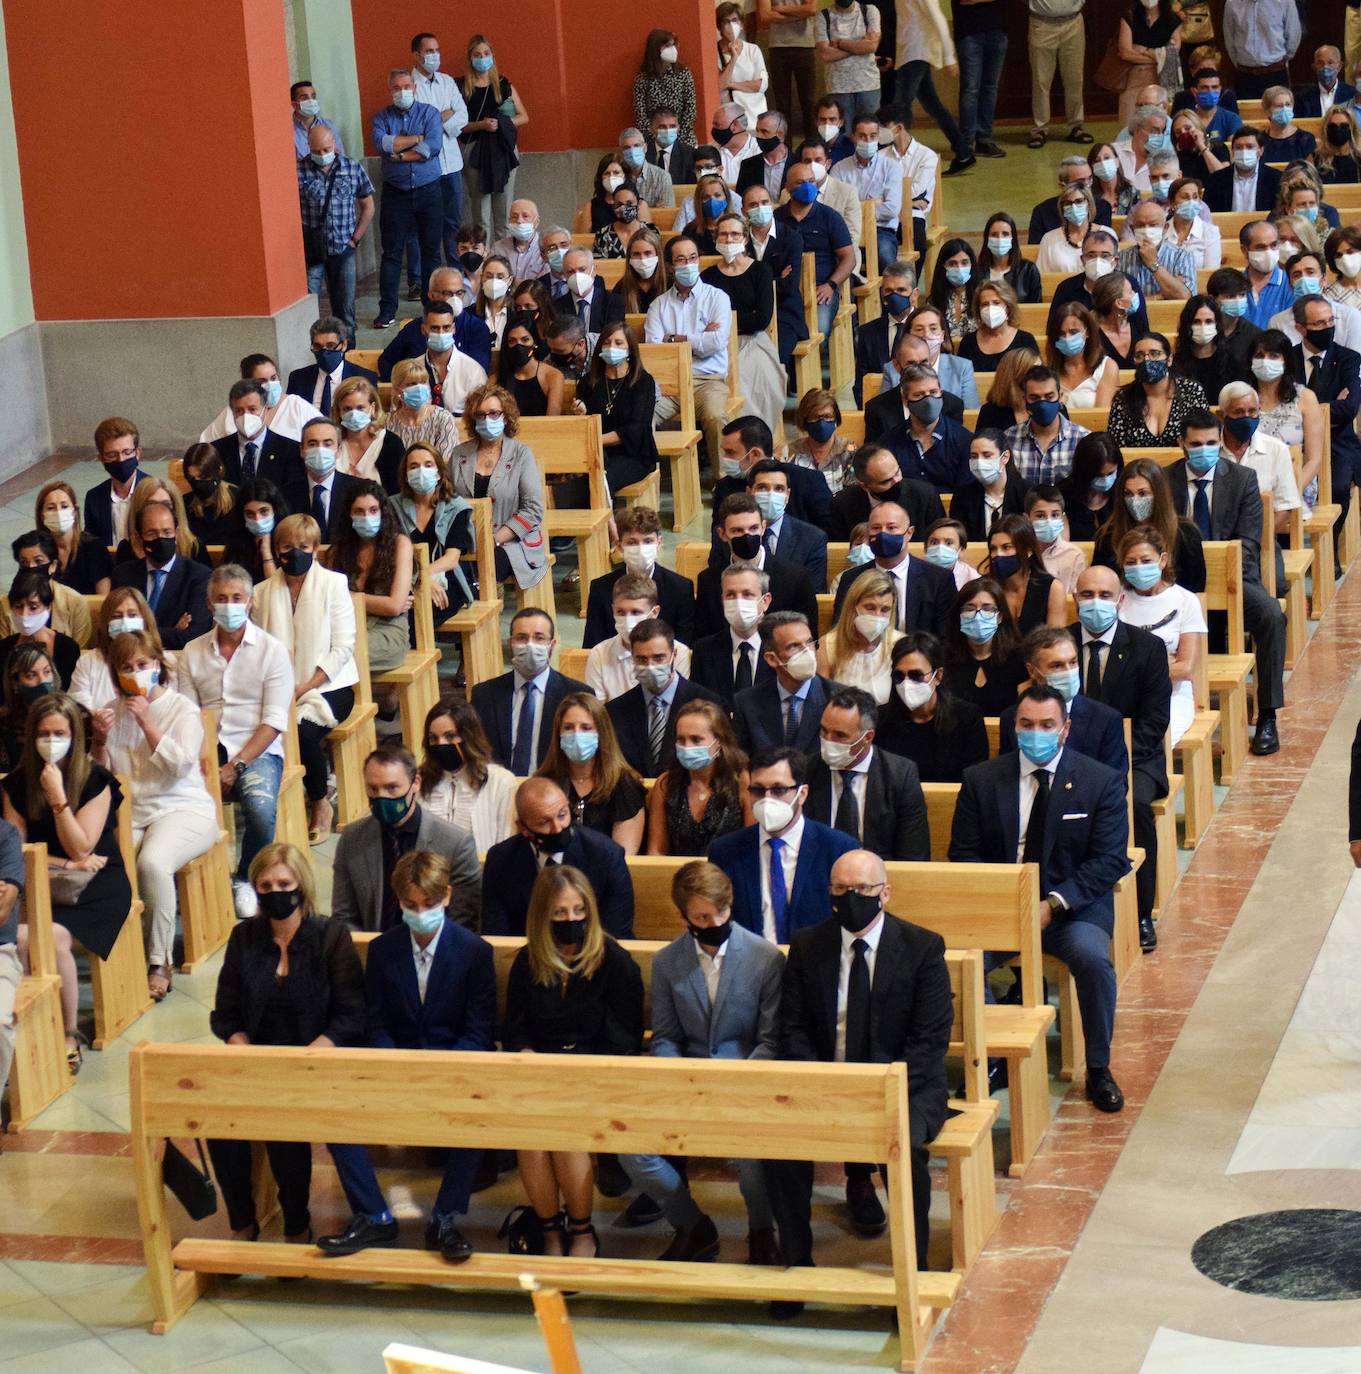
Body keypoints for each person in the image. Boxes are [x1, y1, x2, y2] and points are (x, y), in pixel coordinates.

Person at [766, 847, 952, 1289]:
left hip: (904, 1087)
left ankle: (912, 1271)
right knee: (779, 1146)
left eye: (862, 889)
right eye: (840, 889)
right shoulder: (810, 946)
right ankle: (797, 1266)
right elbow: (793, 1030)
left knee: (905, 1150)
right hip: (825, 1085)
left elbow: (928, 1043)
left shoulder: (923, 948)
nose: (851, 897)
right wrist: (826, 1086)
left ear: (884, 893)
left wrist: (879, 1092)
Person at [949, 685, 1130, 1112]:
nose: (1037, 733)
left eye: (1047, 725)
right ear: (1014, 728)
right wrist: (1007, 903)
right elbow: (965, 854)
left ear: (1064, 729)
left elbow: (1107, 861)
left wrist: (1053, 904)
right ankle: (990, 1056)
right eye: (1027, 725)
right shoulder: (981, 779)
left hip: (1071, 910)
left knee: (1093, 960)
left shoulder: (1099, 782)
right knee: (960, 961)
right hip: (1001, 908)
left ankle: (1100, 1065)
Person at [318, 848, 494, 1263]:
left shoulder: (474, 952)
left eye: (430, 904)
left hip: (454, 1072)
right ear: (400, 903)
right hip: (393, 1070)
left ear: (447, 897)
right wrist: (394, 1067)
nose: (421, 913)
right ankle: (375, 1215)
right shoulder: (383, 951)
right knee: (334, 1113)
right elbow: (375, 1021)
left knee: (480, 1115)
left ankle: (445, 1217)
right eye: (411, 905)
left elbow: (479, 1030)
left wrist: (439, 1071)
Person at [207, 843, 367, 1247]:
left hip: (315, 1059)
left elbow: (350, 1014)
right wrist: (240, 1045)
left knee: (282, 1124)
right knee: (219, 1123)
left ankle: (297, 1221)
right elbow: (224, 1014)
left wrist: (310, 1054)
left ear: (302, 886)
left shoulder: (330, 936)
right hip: (257, 1061)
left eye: (284, 883)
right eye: (266, 884)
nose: (276, 891)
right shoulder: (244, 938)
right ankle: (242, 1221)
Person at [502, 864, 643, 1257]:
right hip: (539, 1074)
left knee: (565, 1135)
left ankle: (582, 1231)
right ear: (544, 916)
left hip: (594, 1075)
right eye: (561, 913)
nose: (571, 920)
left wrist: (578, 1073)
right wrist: (527, 1056)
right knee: (531, 1140)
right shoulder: (528, 961)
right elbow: (515, 1029)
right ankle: (550, 1230)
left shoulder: (615, 961)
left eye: (579, 911)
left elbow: (623, 1039)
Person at [4, 694, 128, 1072]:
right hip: (42, 879)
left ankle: (69, 1033)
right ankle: (27, 1032)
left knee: (49, 937)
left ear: (74, 736)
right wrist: (63, 860)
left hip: (97, 884)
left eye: (60, 733)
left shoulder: (95, 781)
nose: (52, 740)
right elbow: (19, 849)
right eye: (44, 733)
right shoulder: (14, 785)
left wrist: (58, 799)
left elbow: (82, 844)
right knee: (24, 937)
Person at [94, 630, 218, 1001]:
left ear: (157, 665)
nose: (135, 672)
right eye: (126, 667)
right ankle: (116, 957)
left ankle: (158, 960)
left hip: (184, 807)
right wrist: (99, 741)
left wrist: (149, 724)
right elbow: (103, 778)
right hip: (136, 812)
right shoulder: (113, 712)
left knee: (151, 862)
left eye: (142, 665)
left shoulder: (182, 709)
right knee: (110, 864)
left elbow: (180, 767)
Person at [175, 564, 293, 919]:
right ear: (209, 605)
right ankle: (192, 886)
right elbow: (186, 713)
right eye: (222, 599)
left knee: (258, 809)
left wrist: (236, 765)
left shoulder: (273, 651)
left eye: (237, 598)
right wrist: (203, 761)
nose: (230, 605)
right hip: (204, 750)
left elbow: (273, 721)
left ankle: (246, 878)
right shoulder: (192, 652)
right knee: (176, 807)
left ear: (251, 602)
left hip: (256, 752)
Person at [1071, 565, 1172, 943]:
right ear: (1074, 598)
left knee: (1138, 806)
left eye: (1104, 595)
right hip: (1072, 757)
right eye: (1086, 595)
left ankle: (1142, 912)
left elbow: (1154, 720)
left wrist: (1118, 764)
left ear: (1120, 600)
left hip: (1137, 758)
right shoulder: (1058, 646)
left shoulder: (1147, 648)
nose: (1095, 603)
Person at [252, 513, 358, 842]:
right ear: (277, 549)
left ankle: (320, 800)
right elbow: (257, 647)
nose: (295, 552)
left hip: (330, 687)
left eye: (303, 546)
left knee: (301, 730)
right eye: (287, 546)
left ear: (314, 548)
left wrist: (305, 686)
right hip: (280, 690)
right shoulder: (263, 592)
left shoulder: (333, 584)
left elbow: (343, 647)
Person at [708, 745, 858, 940]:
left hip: (815, 965)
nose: (767, 799)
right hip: (753, 964)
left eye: (779, 790)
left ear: (802, 794)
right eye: (758, 790)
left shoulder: (838, 849)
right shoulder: (726, 851)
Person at [332, 743, 481, 933]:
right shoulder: (352, 839)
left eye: (392, 787)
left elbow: (464, 922)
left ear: (415, 783)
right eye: (373, 789)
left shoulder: (455, 844)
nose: (381, 797)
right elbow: (344, 917)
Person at [482, 777, 634, 938]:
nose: (557, 828)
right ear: (523, 828)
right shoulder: (501, 860)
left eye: (562, 815)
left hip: (594, 955)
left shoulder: (605, 855)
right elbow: (496, 933)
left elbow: (616, 932)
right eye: (544, 822)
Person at [804, 684, 930, 861]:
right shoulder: (806, 771)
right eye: (824, 731)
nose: (827, 741)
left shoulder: (900, 775)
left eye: (840, 735)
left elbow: (914, 855)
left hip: (879, 878)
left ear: (868, 737)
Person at [643, 234, 734, 472]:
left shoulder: (717, 298)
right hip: (669, 386)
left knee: (715, 417)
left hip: (707, 381)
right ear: (671, 267)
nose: (688, 264)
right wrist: (698, 339)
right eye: (681, 260)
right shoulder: (659, 305)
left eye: (693, 258)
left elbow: (716, 341)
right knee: (641, 415)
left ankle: (723, 480)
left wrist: (673, 339)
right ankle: (648, 476)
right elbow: (655, 351)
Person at [448, 383, 548, 598]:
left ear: (505, 416)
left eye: (493, 413)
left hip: (513, 541)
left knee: (486, 567)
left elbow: (533, 509)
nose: (487, 420)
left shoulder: (522, 454)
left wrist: (493, 538)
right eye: (480, 415)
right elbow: (448, 501)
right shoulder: (459, 454)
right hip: (468, 538)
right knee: (449, 570)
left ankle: (485, 618)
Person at [1115, 528, 1207, 749]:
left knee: (1149, 741)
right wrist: (1159, 665)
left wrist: (1133, 668)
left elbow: (1185, 669)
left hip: (1172, 697)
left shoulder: (1185, 600)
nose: (1139, 567)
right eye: (1131, 562)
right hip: (1124, 696)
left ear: (1163, 559)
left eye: (1146, 560)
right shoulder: (1118, 600)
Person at [470, 608, 590, 776]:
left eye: (539, 638)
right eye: (522, 638)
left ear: (552, 645)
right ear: (511, 643)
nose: (530, 645)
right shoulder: (484, 695)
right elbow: (476, 753)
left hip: (555, 789)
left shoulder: (577, 694)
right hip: (501, 791)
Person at [370, 68, 444, 330]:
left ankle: (431, 308)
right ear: (390, 90)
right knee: (391, 254)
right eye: (396, 88)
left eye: (406, 86)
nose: (402, 92)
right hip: (395, 193)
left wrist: (400, 153)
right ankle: (387, 310)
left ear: (414, 87)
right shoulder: (381, 117)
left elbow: (432, 146)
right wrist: (416, 140)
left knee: (431, 252)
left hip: (429, 190)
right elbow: (382, 144)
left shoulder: (430, 113)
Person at [606, 618, 724, 777]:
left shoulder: (709, 704)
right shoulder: (615, 711)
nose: (650, 666)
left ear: (673, 654)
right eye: (642, 659)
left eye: (659, 658)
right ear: (632, 657)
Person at [704, 213, 785, 438]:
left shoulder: (760, 271)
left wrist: (724, 321)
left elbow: (762, 318)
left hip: (752, 341)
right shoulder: (708, 276)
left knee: (756, 381)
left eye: (734, 234)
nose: (729, 239)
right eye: (724, 234)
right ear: (716, 239)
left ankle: (756, 441)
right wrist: (740, 318)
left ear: (745, 239)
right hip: (717, 344)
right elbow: (703, 321)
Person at [536, 693, 646, 854]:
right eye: (568, 728)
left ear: (601, 733)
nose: (577, 734)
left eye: (586, 728)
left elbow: (622, 858)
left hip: (605, 875)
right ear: (558, 733)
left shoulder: (624, 785)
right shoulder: (544, 782)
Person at [697, 494, 819, 638]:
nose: (747, 536)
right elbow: (704, 638)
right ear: (722, 534)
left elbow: (808, 636)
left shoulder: (795, 578)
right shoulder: (708, 581)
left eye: (753, 528)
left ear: (763, 527)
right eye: (737, 530)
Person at [297, 122, 375, 349]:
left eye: (326, 149)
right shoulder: (299, 170)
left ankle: (348, 355)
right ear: (308, 148)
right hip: (313, 249)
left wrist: (355, 239)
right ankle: (312, 353)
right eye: (317, 151)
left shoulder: (351, 167)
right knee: (308, 304)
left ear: (334, 145)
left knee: (345, 309)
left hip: (343, 248)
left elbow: (368, 206)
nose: (322, 155)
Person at [876, 630, 988, 780]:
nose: (906, 683)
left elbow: (974, 779)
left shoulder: (967, 718)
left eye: (916, 675)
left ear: (938, 676)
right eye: (899, 676)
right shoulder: (881, 720)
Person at [645, 701, 752, 856]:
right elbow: (657, 850)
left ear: (719, 742)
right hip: (677, 875)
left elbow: (752, 846)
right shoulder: (666, 784)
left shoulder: (742, 781)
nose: (687, 747)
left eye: (696, 740)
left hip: (729, 875)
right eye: (681, 740)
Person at [1290, 294, 1361, 526]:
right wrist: (1328, 406)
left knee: (1338, 485)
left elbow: (1348, 409)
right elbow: (1282, 408)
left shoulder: (1348, 359)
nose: (1328, 328)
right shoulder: (1287, 360)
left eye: (1331, 321)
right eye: (1320, 323)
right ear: (1300, 328)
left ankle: (1330, 553)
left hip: (1338, 442)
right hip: (1294, 442)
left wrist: (1304, 411)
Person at [582, 507, 695, 649]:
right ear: (619, 545)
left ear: (659, 543)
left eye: (648, 541)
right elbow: (591, 645)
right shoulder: (601, 588)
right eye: (632, 542)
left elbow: (684, 646)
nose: (641, 549)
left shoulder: (680, 588)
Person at [109, 498, 211, 652]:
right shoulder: (123, 574)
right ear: (138, 537)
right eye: (152, 533)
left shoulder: (199, 576)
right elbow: (115, 632)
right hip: (130, 659)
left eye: (167, 532)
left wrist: (137, 628)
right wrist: (172, 631)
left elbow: (192, 637)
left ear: (176, 533)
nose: (161, 539)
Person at [572, 322, 660, 496]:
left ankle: (604, 521)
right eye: (606, 342)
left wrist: (596, 440)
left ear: (630, 350)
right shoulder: (588, 382)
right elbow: (581, 426)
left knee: (602, 477)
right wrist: (581, 414)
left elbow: (636, 430)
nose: (611, 347)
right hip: (597, 451)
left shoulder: (643, 382)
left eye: (618, 343)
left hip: (634, 454)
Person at [733, 611, 839, 755]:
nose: (807, 652)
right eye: (794, 646)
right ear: (772, 658)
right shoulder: (746, 702)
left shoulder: (839, 699)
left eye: (809, 642)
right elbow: (742, 762)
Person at [1094, 457, 1207, 592]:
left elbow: (1195, 588)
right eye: (1128, 494)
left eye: (1143, 493)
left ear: (1158, 494)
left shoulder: (1186, 533)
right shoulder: (1107, 536)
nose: (1135, 500)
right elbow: (1101, 584)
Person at [418, 702, 517, 851]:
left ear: (469, 737)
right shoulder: (420, 781)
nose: (441, 744)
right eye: (433, 738)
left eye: (450, 736)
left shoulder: (501, 782)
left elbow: (506, 847)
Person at [1241, 340, 1323, 510]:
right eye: (1259, 356)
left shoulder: (1305, 398)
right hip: (1249, 486)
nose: (1265, 361)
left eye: (1273, 356)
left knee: (1278, 511)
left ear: (1286, 361)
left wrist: (1289, 492)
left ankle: (1264, 535)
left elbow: (1314, 459)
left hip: (1296, 484)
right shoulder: (1242, 397)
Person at [459, 36, 527, 241]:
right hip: (476, 151)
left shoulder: (503, 84)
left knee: (504, 212)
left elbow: (523, 116)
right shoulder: (461, 86)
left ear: (492, 56)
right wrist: (481, 125)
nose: (482, 58)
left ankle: (503, 262)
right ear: (470, 58)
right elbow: (456, 125)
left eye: (486, 54)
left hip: (503, 150)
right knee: (481, 213)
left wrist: (502, 123)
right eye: (477, 55)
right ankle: (484, 260)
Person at [378, 266, 493, 378]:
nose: (455, 299)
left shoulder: (476, 328)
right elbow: (385, 362)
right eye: (448, 293)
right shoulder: (414, 329)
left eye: (459, 293)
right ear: (431, 295)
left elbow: (479, 370)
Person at [690, 564, 777, 706]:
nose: (738, 601)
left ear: (765, 601)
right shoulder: (704, 651)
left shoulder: (780, 650)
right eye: (730, 595)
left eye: (747, 594)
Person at [1108, 333, 1210, 448]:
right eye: (1139, 355)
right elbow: (1116, 447)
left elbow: (1204, 434)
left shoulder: (1191, 391)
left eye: (1154, 354)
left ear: (1169, 360)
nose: (1146, 360)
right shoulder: (1124, 398)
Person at [942, 575, 1027, 714]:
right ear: (959, 615)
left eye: (987, 609)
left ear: (999, 617)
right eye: (970, 608)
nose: (978, 615)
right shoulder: (944, 657)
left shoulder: (1018, 659)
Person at [70, 588, 160, 713]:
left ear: (144, 619)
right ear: (106, 623)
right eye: (116, 617)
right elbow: (79, 707)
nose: (125, 622)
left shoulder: (163, 661)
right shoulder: (87, 662)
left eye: (132, 615)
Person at [819, 569, 895, 703]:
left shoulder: (898, 645)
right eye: (870, 607)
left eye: (884, 610)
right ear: (853, 607)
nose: (877, 616)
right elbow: (821, 700)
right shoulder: (827, 645)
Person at [1005, 365, 1090, 485]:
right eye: (1034, 398)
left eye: (1049, 397)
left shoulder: (1083, 439)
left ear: (1060, 398)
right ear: (1025, 400)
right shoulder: (1008, 438)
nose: (1042, 404)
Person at [986, 515, 1067, 633]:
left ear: (1028, 550)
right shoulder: (986, 588)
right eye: (993, 549)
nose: (998, 554)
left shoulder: (1051, 588)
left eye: (1006, 547)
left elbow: (1054, 642)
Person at [0, 571, 79, 689]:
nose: (24, 614)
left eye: (33, 607)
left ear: (48, 607)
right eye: (18, 606)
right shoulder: (3, 648)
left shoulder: (67, 647)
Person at [84, 416, 152, 549]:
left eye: (127, 452)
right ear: (101, 459)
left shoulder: (154, 492)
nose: (121, 459)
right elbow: (91, 545)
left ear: (137, 453)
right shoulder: (94, 498)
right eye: (112, 455)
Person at [1028, 0, 1088, 147]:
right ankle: (1040, 129)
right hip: (1042, 23)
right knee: (1041, 80)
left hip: (1073, 22)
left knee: (1075, 79)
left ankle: (1076, 126)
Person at [387, 360, 464, 463]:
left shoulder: (443, 418)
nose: (419, 388)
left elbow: (445, 462)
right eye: (412, 384)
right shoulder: (388, 422)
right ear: (397, 389)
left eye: (423, 382)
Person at [1222, 0, 1301, 101]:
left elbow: (1293, 36)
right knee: (1247, 114)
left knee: (1278, 114)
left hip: (1275, 72)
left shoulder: (1285, 2)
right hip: (1245, 76)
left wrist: (1282, 59)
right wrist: (1241, 62)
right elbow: (1229, 38)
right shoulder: (1232, 3)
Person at [1120, 200, 1194, 301]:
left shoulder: (1182, 256)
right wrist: (1161, 296)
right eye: (1141, 225)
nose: (1146, 230)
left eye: (1153, 225)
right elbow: (1118, 301)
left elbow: (1186, 298)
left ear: (1165, 228)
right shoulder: (1120, 258)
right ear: (1133, 230)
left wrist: (1153, 263)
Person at [784, 388, 854, 494]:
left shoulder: (849, 450)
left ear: (836, 419)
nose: (821, 423)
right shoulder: (791, 452)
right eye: (814, 417)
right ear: (805, 421)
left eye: (827, 416)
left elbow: (852, 492)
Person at [1025, 479, 1091, 591]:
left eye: (1055, 515)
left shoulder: (1074, 555)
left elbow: (1076, 598)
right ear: (1027, 518)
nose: (1049, 521)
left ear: (1062, 517)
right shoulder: (1018, 552)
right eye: (1040, 516)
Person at [956, 281, 1039, 370]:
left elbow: (1035, 377)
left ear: (1008, 307)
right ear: (978, 310)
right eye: (985, 304)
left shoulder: (1025, 340)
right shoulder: (968, 342)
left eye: (996, 303)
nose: (990, 308)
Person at [634, 30, 697, 144]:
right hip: (654, 138)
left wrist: (678, 134)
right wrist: (654, 136)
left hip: (682, 138)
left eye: (673, 45)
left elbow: (690, 109)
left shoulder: (683, 73)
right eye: (667, 46)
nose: (672, 49)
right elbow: (640, 114)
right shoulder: (643, 78)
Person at [1114, 19, 1180, 128]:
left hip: (1163, 78)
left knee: (1160, 125)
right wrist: (1158, 58)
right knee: (1129, 125)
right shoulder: (1130, 16)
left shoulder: (1172, 18)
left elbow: (1173, 52)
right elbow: (1126, 53)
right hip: (1133, 76)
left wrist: (1145, 51)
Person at [497, 313, 564, 419]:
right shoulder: (496, 379)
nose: (519, 345)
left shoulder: (552, 376)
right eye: (512, 341)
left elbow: (552, 421)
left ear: (534, 342)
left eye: (525, 340)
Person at [290, 79, 345, 158]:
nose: (311, 101)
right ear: (294, 104)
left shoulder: (329, 125)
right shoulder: (287, 131)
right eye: (305, 98)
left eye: (313, 96)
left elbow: (341, 157)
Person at [647, 104, 696, 182]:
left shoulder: (689, 154)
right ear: (651, 128)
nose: (668, 131)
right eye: (662, 127)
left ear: (678, 128)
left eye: (672, 126)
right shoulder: (643, 153)